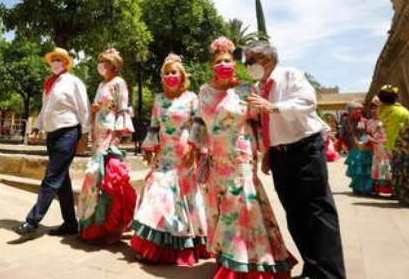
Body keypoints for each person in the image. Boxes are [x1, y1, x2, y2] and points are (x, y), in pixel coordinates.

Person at [191, 37, 296, 278]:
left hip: (241, 157)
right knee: (219, 208)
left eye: (228, 61)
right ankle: (228, 257)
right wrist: (195, 150)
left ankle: (249, 261)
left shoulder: (247, 90)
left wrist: (266, 152)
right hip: (215, 159)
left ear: (235, 64)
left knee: (241, 207)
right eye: (219, 62)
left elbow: (261, 123)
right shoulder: (204, 91)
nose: (224, 65)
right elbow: (199, 122)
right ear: (212, 66)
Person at [244, 42, 345, 279]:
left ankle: (330, 274)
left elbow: (308, 102)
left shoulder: (290, 75)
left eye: (250, 61)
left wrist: (274, 107)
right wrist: (268, 152)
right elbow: (267, 125)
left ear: (266, 60)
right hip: (280, 155)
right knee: (295, 215)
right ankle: (312, 268)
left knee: (318, 212)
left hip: (305, 149)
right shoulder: (259, 87)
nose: (247, 67)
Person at [130, 53, 208, 265]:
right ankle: (154, 247)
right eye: (166, 73)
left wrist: (195, 149)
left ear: (181, 76)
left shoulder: (191, 98)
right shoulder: (159, 99)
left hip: (184, 154)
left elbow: (199, 125)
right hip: (163, 155)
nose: (169, 76)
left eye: (173, 72)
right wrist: (149, 148)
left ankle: (184, 244)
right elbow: (154, 125)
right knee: (158, 193)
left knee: (181, 199)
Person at [13, 47, 90, 237]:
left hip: (69, 132)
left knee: (52, 177)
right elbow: (44, 109)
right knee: (62, 181)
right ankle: (71, 223)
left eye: (59, 59)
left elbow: (84, 109)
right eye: (53, 59)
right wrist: (36, 127)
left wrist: (85, 135)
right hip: (52, 134)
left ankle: (32, 221)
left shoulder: (73, 82)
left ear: (66, 63)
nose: (55, 62)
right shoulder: (49, 85)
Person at [77, 47, 137, 243]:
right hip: (97, 131)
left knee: (105, 176)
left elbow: (123, 109)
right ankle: (95, 224)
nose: (100, 65)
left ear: (112, 65)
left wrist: (117, 135)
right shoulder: (102, 83)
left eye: (103, 61)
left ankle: (110, 225)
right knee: (95, 177)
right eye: (100, 61)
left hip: (109, 132)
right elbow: (96, 105)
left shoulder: (119, 83)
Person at [344, 107, 374, 195]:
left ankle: (366, 188)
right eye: (355, 110)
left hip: (364, 146)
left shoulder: (365, 121)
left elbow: (366, 132)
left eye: (359, 110)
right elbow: (346, 133)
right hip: (353, 146)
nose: (358, 111)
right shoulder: (347, 121)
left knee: (365, 167)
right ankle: (356, 188)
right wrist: (353, 142)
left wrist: (363, 142)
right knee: (355, 167)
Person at [367, 97, 393, 196]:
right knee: (379, 167)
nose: (374, 110)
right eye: (372, 108)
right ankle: (379, 189)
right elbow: (368, 134)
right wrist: (365, 141)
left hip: (387, 147)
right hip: (376, 148)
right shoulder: (369, 122)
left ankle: (392, 190)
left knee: (387, 167)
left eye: (376, 108)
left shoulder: (387, 120)